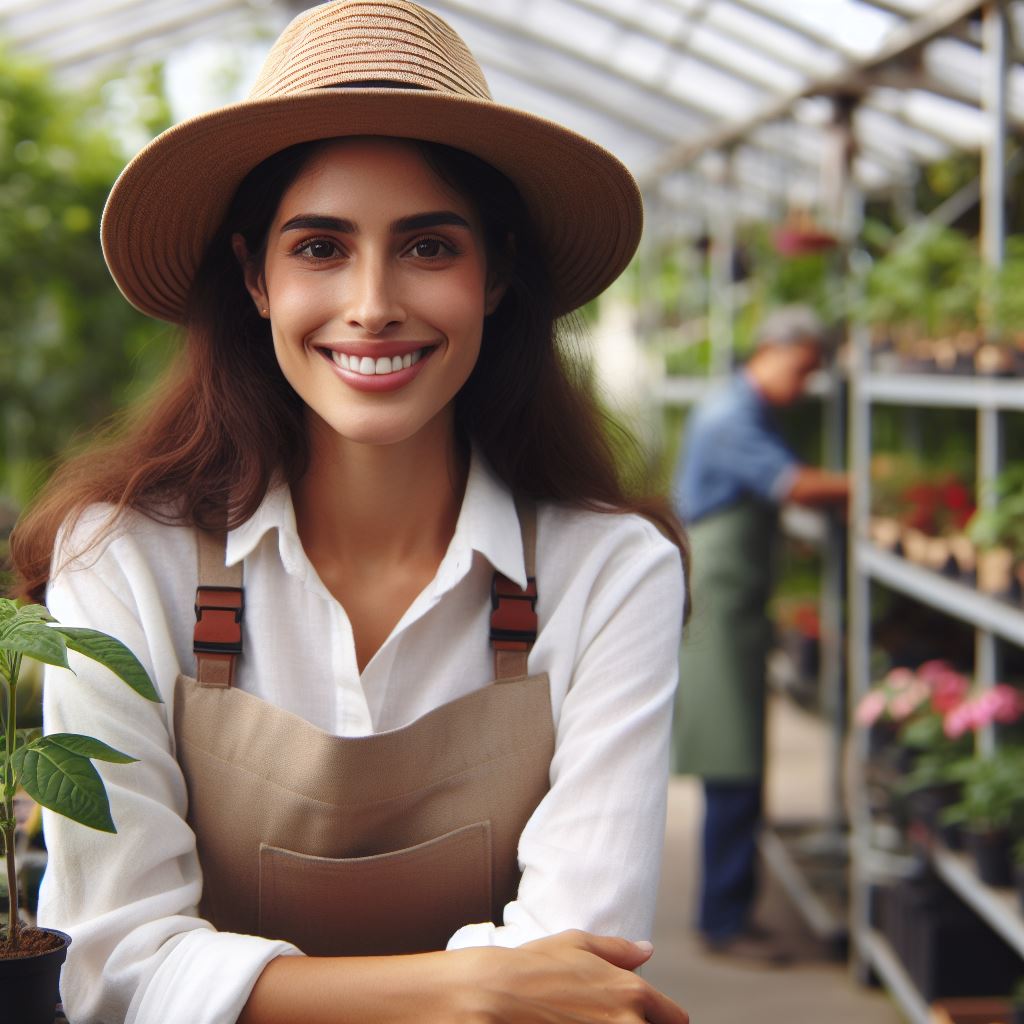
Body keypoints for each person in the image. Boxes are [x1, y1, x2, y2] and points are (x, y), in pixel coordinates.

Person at [9, 3, 690, 1023]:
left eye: (426, 247)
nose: (372, 302)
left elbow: (580, 964)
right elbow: (110, 962)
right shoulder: (124, 559)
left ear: (495, 275)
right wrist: (468, 987)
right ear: (255, 276)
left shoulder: (610, 571)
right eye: (321, 247)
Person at [671, 304, 849, 963]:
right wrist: (869, 488)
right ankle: (722, 919)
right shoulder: (731, 416)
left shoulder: (740, 407)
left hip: (732, 605)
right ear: (770, 352)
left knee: (737, 756)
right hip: (720, 608)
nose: (803, 385)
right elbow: (796, 486)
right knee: (731, 759)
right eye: (801, 369)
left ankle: (729, 907)